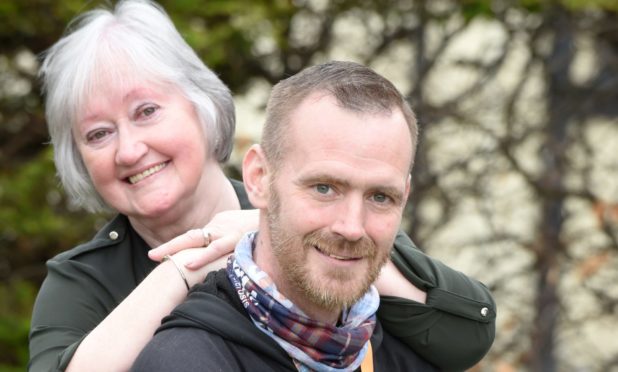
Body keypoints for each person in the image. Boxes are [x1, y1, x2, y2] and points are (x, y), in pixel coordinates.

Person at [29, 1, 495, 371]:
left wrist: (278, 232)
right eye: (98, 134)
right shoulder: (83, 280)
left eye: (146, 111)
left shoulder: (331, 210)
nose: (129, 150)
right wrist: (189, 267)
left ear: (202, 106)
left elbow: (467, 334)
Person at [132, 60, 441, 371]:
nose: (351, 227)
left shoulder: (405, 357)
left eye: (380, 197)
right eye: (324, 188)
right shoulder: (187, 361)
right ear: (259, 178)